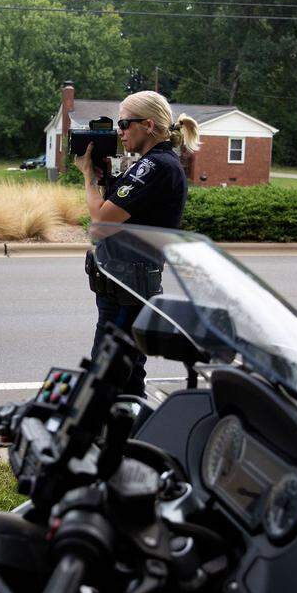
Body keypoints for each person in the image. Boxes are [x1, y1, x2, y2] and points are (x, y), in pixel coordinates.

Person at [75, 90, 198, 396]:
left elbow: (103, 220)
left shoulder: (155, 166)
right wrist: (105, 179)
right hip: (122, 285)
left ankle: (119, 437)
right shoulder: (150, 163)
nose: (120, 131)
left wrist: (88, 176)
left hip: (127, 290)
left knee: (110, 372)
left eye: (125, 123)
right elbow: (122, 211)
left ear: (149, 125)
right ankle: (124, 437)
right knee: (124, 372)